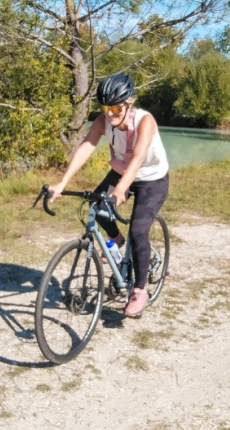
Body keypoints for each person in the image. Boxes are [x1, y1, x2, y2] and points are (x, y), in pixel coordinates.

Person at [47, 73, 169, 318]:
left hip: (151, 178)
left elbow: (138, 157)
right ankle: (117, 243)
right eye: (106, 108)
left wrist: (121, 190)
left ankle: (140, 289)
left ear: (129, 103)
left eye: (115, 108)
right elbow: (86, 147)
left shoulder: (145, 121)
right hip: (121, 171)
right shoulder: (103, 121)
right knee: (97, 206)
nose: (110, 114)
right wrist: (62, 183)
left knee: (138, 230)